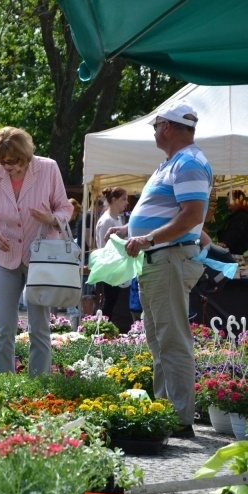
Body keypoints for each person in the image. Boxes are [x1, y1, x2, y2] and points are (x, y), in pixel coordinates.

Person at [109, 100, 212, 439]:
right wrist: (129, 231)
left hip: (167, 258)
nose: (154, 132)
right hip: (157, 259)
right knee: (158, 340)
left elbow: (192, 216)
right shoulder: (173, 163)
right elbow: (176, 214)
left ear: (167, 127)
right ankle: (166, 411)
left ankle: (180, 419)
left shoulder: (189, 163)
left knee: (172, 341)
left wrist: (148, 238)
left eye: (155, 126)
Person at [0, 126, 73, 376]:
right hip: (4, 257)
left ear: (26, 154)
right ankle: (3, 383)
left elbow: (65, 208)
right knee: (4, 326)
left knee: (39, 326)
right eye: (2, 163)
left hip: (40, 258)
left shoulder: (48, 168)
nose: (7, 167)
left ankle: (39, 384)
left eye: (12, 162)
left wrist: (51, 218)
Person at [95, 186, 129, 321]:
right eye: (124, 199)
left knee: (112, 302)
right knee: (109, 302)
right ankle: (101, 329)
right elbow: (104, 247)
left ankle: (104, 329)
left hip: (116, 266)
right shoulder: (106, 220)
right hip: (110, 266)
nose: (126, 202)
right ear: (114, 200)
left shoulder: (116, 219)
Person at [217, 190, 248, 255]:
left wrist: (225, 243)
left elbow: (234, 232)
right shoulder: (236, 215)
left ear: (238, 200)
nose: (227, 202)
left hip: (236, 253)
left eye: (229, 200)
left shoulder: (242, 216)